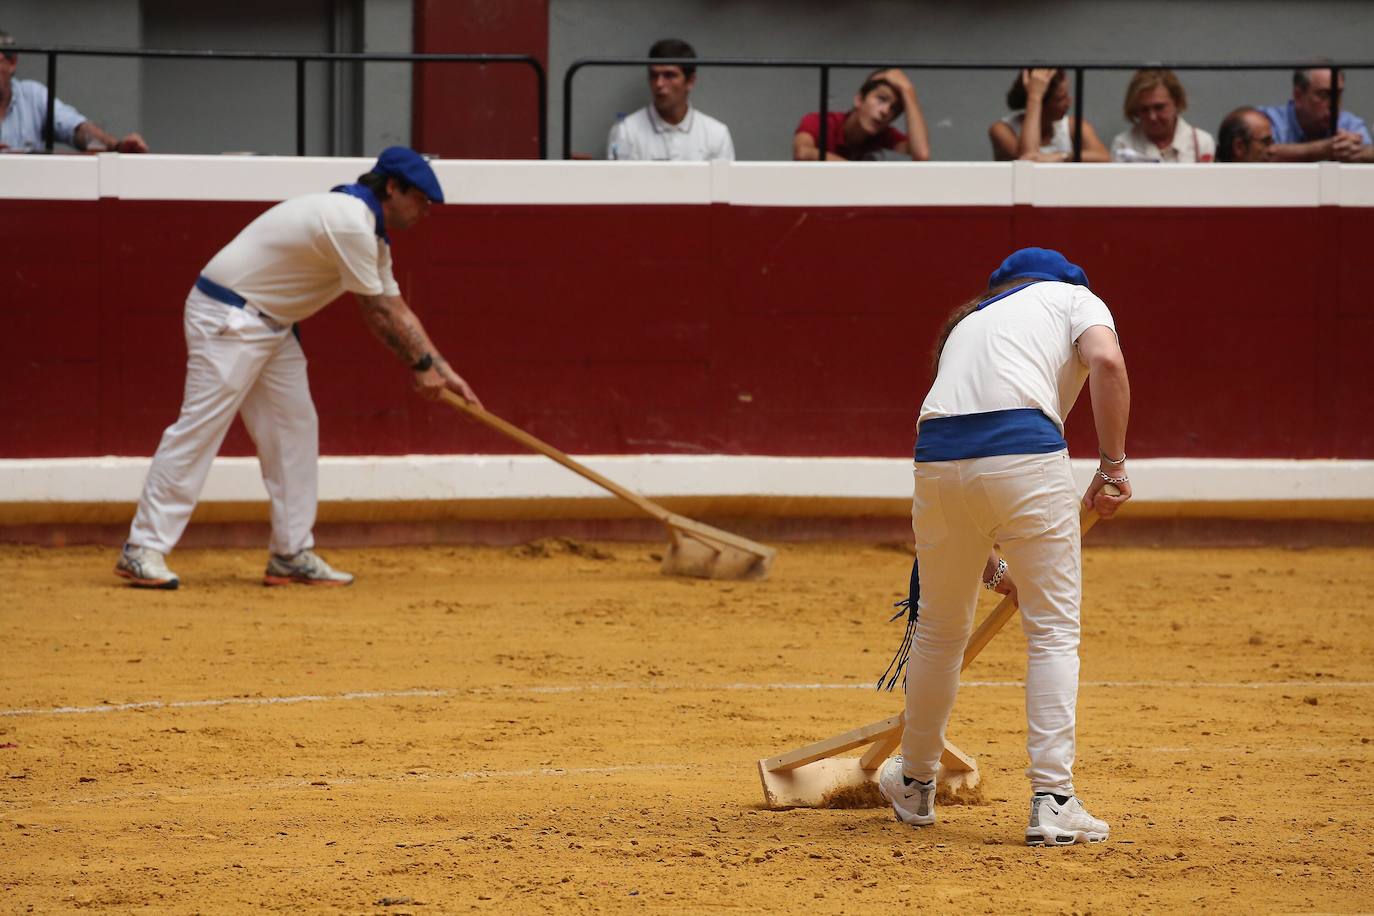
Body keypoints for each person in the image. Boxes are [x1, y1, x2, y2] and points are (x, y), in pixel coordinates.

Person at [114, 147, 481, 590]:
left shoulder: (369, 232)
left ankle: (290, 552)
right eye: (420, 198)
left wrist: (442, 367)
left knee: (295, 428)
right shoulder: (350, 223)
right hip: (228, 316)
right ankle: (142, 548)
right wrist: (420, 367)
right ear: (392, 188)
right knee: (201, 426)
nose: (426, 209)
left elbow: (396, 307)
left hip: (271, 323)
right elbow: (378, 310)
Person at [876, 247, 1130, 846]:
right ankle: (1053, 799)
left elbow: (966, 467)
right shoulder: (1074, 297)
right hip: (1024, 455)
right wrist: (1113, 464)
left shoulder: (968, 321)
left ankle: (913, 780)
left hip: (937, 461)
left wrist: (993, 566)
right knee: (1052, 629)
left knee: (939, 629)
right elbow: (1108, 363)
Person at [0, 30, 148, 153]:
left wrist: (116, 147)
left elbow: (76, 129)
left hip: (26, 186)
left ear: (12, 62)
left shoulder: (32, 95)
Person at [606, 38, 733, 162]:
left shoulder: (716, 135)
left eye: (669, 75)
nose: (659, 83)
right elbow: (619, 182)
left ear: (690, 81)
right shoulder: (627, 132)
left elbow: (724, 183)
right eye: (654, 75)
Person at [792, 68, 930, 161]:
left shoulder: (887, 136)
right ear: (859, 100)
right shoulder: (820, 121)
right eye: (881, 99)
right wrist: (857, 173)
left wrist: (908, 90)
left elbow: (921, 155)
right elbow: (802, 152)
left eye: (894, 108)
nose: (885, 111)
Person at [990, 68, 1109, 162]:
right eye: (1061, 98)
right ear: (1041, 103)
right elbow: (1028, 160)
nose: (1069, 102)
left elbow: (1105, 158)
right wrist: (1034, 96)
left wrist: (1061, 157)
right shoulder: (1002, 129)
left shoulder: (1073, 125)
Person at [1258, 66, 1373, 162]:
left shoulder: (1349, 123)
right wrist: (1322, 150)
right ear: (1298, 96)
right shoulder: (1268, 121)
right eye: (1324, 95)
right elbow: (1261, 155)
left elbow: (1369, 151)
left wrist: (1358, 151)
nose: (1334, 105)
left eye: (1338, 94)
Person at [1110, 69, 1215, 163]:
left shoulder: (1201, 142)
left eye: (1159, 107)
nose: (1152, 117)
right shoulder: (1123, 144)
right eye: (1144, 109)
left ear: (1177, 102)